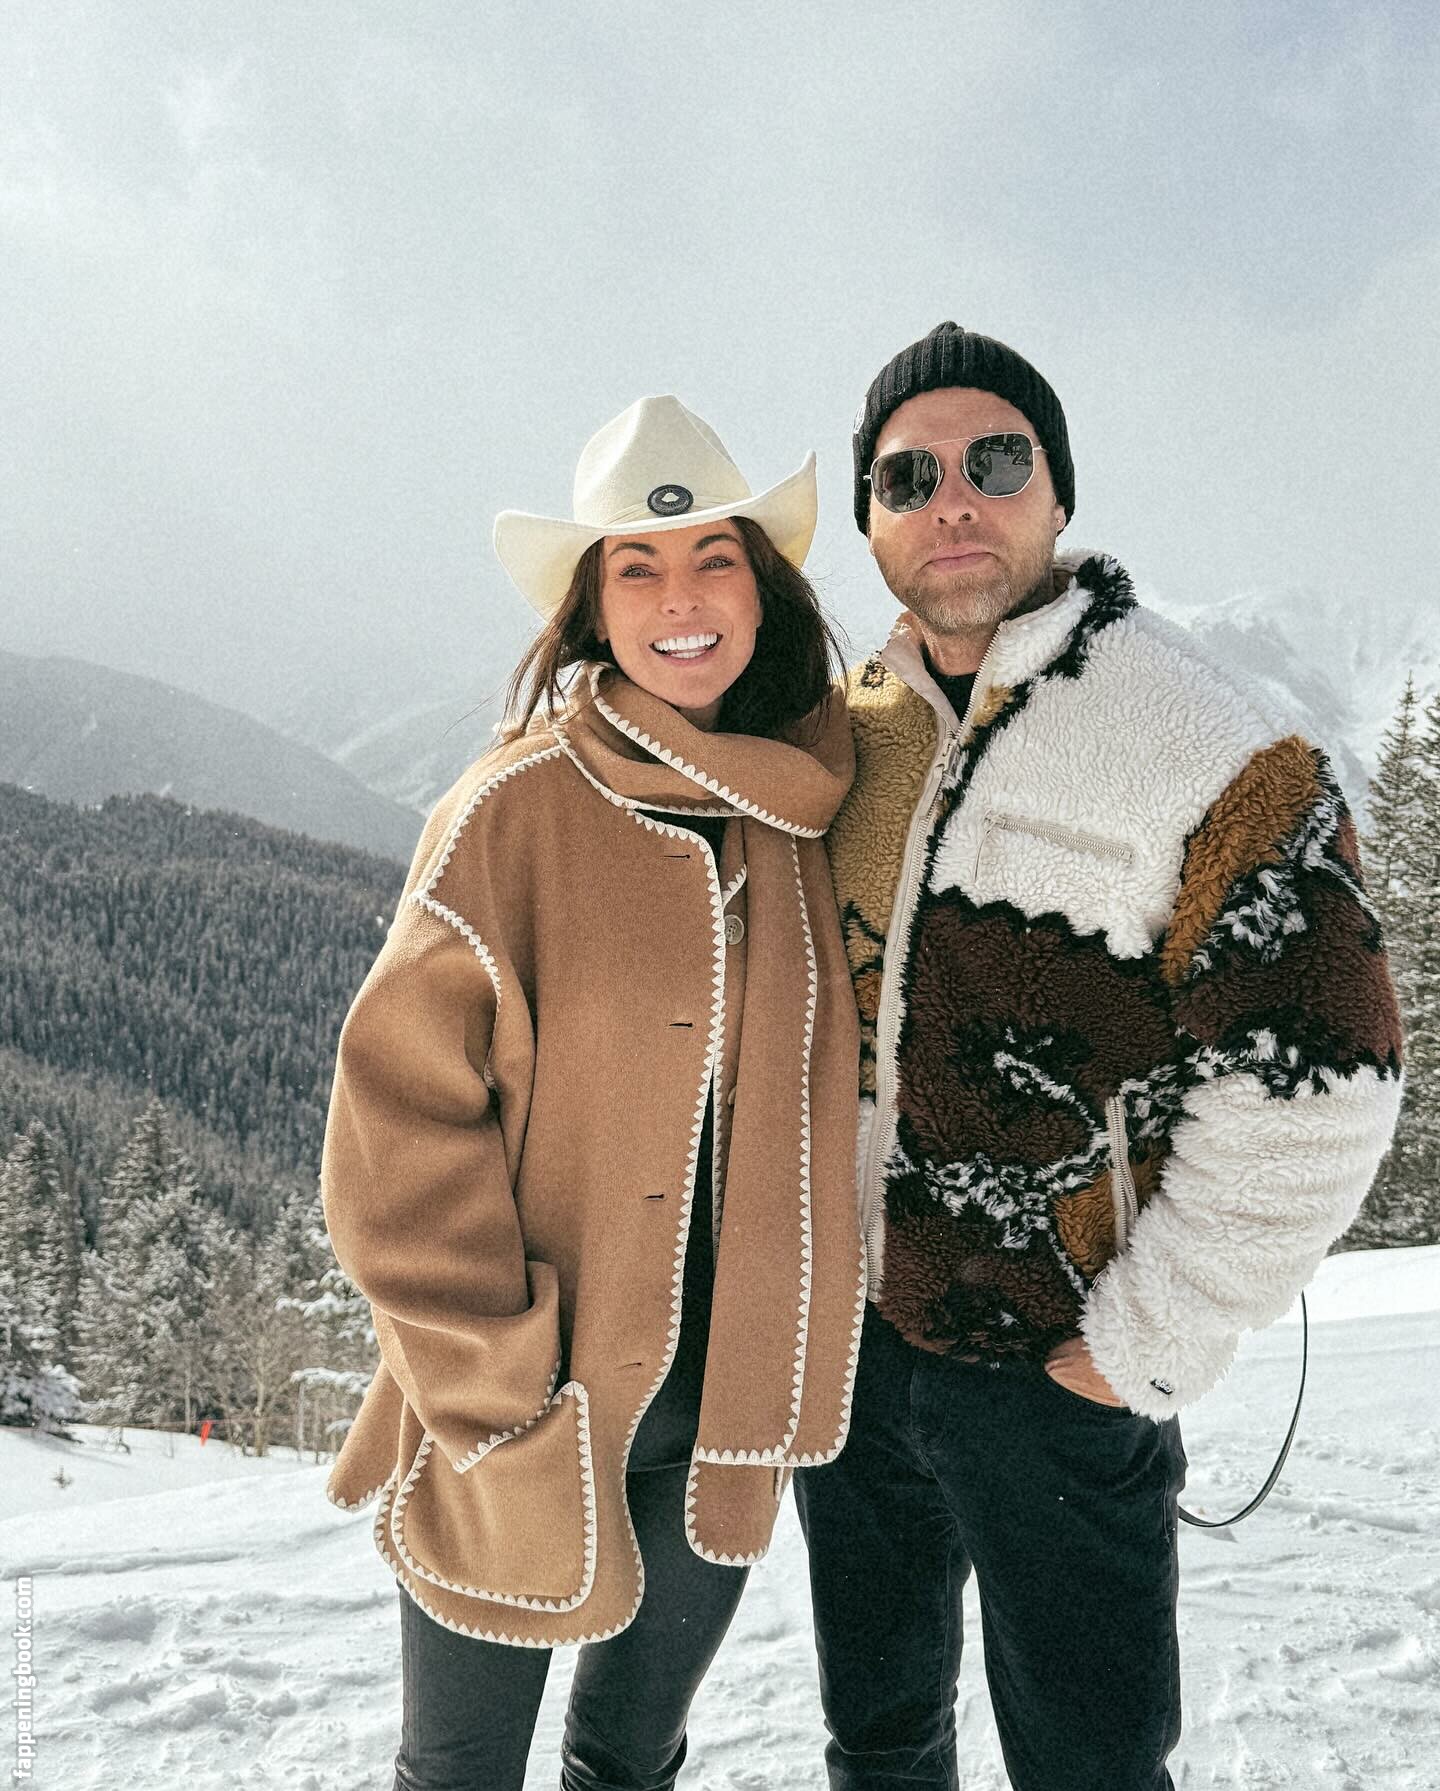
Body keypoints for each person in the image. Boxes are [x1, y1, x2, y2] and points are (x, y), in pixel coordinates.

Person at [795, 321, 1404, 1791]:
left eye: (996, 461)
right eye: (908, 475)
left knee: (1091, 1766)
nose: (953, 499)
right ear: (870, 522)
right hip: (859, 1360)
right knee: (878, 1739)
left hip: (1057, 1377)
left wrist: (1134, 1351)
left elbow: (1325, 1085)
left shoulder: (1205, 741)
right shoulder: (849, 737)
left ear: (1058, 493)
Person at [319, 395, 866, 1791]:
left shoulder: (799, 809)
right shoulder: (511, 812)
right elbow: (395, 1127)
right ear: (592, 608)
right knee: (459, 1773)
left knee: (629, 1761)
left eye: (714, 559)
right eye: (639, 566)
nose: (681, 598)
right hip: (516, 1402)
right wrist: (489, 1379)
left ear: (763, 590)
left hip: (719, 1413)